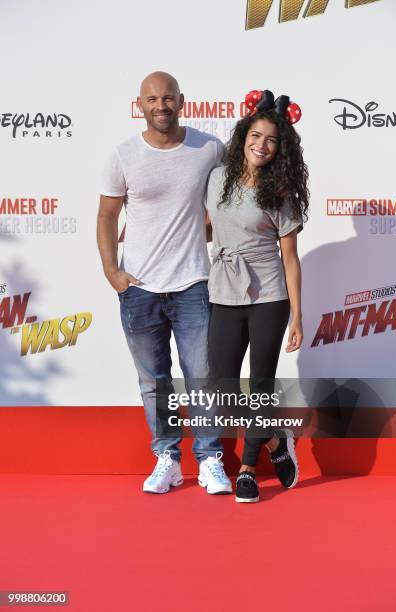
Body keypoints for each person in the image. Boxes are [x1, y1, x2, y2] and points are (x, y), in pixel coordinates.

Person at [97, 71, 232, 495]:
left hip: (194, 282)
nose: (161, 106)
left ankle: (210, 460)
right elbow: (105, 217)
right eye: (152, 99)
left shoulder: (209, 147)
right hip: (138, 288)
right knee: (154, 379)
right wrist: (112, 273)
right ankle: (168, 459)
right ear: (140, 105)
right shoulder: (123, 155)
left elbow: (228, 204)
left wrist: (208, 232)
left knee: (202, 377)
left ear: (181, 101)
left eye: (168, 98)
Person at [205, 89, 309, 502]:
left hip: (269, 296)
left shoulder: (279, 192)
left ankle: (248, 468)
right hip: (224, 290)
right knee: (221, 386)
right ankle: (273, 442)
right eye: (256, 136)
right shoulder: (216, 179)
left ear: (279, 150)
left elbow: (290, 258)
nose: (261, 145)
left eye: (271, 141)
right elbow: (207, 227)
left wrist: (297, 316)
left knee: (261, 384)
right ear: (244, 134)